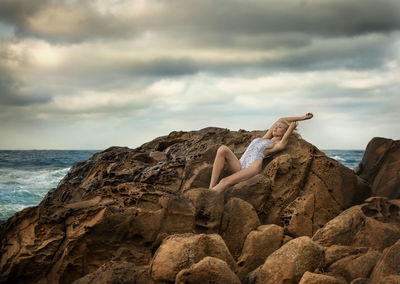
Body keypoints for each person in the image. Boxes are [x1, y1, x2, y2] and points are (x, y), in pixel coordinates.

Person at [209, 113, 313, 193]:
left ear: (285, 132)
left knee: (224, 181)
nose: (275, 127)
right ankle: (210, 188)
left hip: (252, 167)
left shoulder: (275, 144)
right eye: (276, 126)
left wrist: (291, 128)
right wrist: (302, 117)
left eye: (280, 127)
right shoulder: (265, 138)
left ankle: (208, 197)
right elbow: (281, 119)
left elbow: (283, 142)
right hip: (240, 164)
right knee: (222, 149)